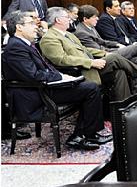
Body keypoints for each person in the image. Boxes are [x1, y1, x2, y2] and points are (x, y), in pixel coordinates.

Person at [2, 11, 112, 150]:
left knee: (87, 86)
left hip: (42, 88)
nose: (36, 26)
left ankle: (86, 134)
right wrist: (59, 77)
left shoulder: (24, 44)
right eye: (31, 23)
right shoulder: (15, 47)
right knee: (90, 89)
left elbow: (43, 68)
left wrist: (63, 76)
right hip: (34, 94)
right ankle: (82, 136)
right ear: (19, 27)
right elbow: (33, 76)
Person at [40, 7, 137, 102]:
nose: (70, 20)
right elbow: (61, 59)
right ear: (58, 20)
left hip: (94, 66)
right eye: (67, 17)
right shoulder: (49, 38)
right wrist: (91, 62)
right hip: (83, 71)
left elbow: (85, 49)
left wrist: (104, 53)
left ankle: (125, 105)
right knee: (116, 56)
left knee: (120, 72)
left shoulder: (68, 34)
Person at [74, 5, 137, 81]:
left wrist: (116, 44)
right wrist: (116, 49)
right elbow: (98, 50)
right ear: (85, 19)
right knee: (135, 49)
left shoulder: (90, 27)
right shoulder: (82, 32)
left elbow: (102, 41)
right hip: (102, 58)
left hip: (110, 51)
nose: (97, 18)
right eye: (94, 17)